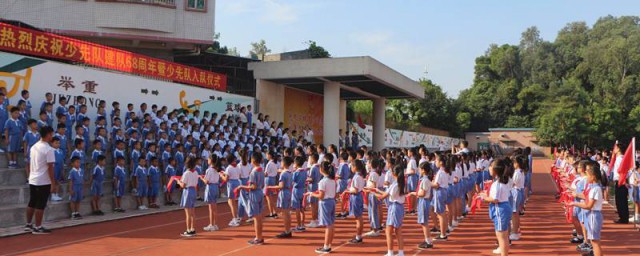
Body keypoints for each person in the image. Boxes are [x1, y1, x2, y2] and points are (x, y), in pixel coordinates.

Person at [25, 126, 55, 234]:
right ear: (47, 135)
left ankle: (28, 224)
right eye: (51, 134)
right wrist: (53, 182)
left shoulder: (33, 147)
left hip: (33, 178)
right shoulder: (48, 149)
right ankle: (38, 227)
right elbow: (50, 167)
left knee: (32, 201)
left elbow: (29, 163)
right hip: (43, 180)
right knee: (40, 204)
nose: (52, 136)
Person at [571, 161, 606, 256]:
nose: (586, 177)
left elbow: (588, 206)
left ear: (593, 177)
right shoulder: (594, 188)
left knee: (595, 242)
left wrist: (574, 203)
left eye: (588, 175)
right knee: (594, 241)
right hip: (592, 215)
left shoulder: (595, 189)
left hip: (593, 215)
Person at [478, 158, 512, 256]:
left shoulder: (497, 184)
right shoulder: (504, 181)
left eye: (491, 166)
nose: (489, 168)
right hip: (504, 207)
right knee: (502, 235)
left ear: (495, 170)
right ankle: (503, 251)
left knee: (502, 236)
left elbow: (495, 199)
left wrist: (484, 197)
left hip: (500, 208)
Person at [372, 164, 406, 256]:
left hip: (394, 207)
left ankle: (390, 252)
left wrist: (372, 193)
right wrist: (376, 190)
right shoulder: (400, 183)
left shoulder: (395, 184)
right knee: (398, 231)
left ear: (393, 173)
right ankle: (400, 252)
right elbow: (387, 193)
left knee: (389, 231)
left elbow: (383, 197)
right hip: (399, 207)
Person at [236, 152, 266, 245]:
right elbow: (263, 184)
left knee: (256, 218)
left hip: (255, 194)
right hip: (260, 192)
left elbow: (253, 186)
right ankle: (259, 236)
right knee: (259, 216)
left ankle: (258, 238)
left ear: (253, 160)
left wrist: (242, 187)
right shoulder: (261, 170)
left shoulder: (253, 172)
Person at [309, 161, 337, 253]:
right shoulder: (332, 180)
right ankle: (329, 244)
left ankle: (326, 246)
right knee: (331, 224)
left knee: (328, 225)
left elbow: (321, 195)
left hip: (325, 203)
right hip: (332, 201)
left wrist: (312, 194)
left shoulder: (322, 181)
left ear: (321, 170)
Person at [268, 156, 293, 238]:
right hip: (288, 192)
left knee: (285, 213)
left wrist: (270, 187)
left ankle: (287, 231)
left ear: (284, 163)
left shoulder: (283, 174)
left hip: (284, 193)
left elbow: (280, 186)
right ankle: (288, 230)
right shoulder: (289, 172)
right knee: (287, 212)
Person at [411, 161, 434, 249]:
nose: (419, 170)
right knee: (423, 222)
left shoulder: (425, 180)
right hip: (423, 201)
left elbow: (422, 193)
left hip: (424, 201)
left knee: (424, 222)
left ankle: (428, 241)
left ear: (423, 170)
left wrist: (414, 193)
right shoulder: (425, 179)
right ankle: (427, 239)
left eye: (420, 169)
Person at [177, 158, 199, 237]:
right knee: (192, 212)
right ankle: (193, 229)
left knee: (188, 213)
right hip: (193, 190)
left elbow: (183, 185)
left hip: (188, 191)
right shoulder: (196, 172)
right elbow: (196, 183)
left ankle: (188, 230)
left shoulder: (186, 173)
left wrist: (178, 181)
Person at [346, 159, 366, 244]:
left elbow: (355, 190)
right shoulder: (360, 176)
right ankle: (359, 236)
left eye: (351, 166)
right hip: (358, 196)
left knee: (358, 218)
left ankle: (358, 237)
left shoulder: (356, 177)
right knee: (358, 217)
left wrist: (348, 191)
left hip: (356, 197)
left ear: (354, 167)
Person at [432, 154, 450, 240]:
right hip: (444, 191)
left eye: (436, 160)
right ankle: (444, 230)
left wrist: (429, 184)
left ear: (441, 162)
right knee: (442, 213)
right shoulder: (445, 171)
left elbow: (436, 185)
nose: (435, 162)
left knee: (440, 213)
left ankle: (443, 234)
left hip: (439, 191)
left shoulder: (440, 172)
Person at [201, 155, 221, 231]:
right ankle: (215, 224)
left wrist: (202, 178)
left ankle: (212, 224)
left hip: (211, 187)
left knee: (211, 208)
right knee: (214, 207)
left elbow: (207, 181)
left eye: (208, 159)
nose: (207, 160)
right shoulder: (217, 169)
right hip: (216, 187)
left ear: (211, 160)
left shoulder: (209, 170)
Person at [221, 155, 241, 227]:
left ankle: (235, 218)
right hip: (237, 182)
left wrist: (221, 175)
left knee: (231, 202)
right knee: (233, 201)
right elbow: (239, 175)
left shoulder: (229, 168)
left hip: (231, 184)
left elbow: (226, 179)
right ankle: (236, 216)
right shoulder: (237, 167)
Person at [611, 145, 629, 224]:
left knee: (621, 201)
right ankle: (623, 217)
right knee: (619, 200)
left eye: (615, 148)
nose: (613, 150)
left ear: (618, 149)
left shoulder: (620, 159)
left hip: (621, 181)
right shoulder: (619, 158)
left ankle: (624, 218)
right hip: (619, 181)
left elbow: (622, 171)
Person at [510, 155, 527, 241]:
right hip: (519, 191)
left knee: (514, 213)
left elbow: (513, 183)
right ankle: (516, 230)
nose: (513, 164)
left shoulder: (517, 172)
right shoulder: (521, 171)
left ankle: (514, 232)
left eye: (514, 162)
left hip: (516, 192)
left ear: (517, 163)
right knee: (515, 213)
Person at [291, 156, 308, 232]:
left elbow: (292, 182)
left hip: (296, 190)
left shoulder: (296, 172)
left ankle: (298, 225)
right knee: (301, 208)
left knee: (297, 209)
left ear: (296, 164)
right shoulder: (304, 171)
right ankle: (302, 224)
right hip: (302, 190)